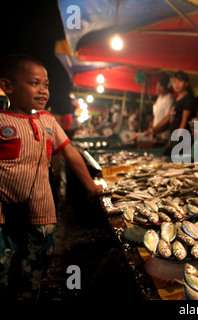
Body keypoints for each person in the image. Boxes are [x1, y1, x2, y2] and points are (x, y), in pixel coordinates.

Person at [0, 54, 103, 300]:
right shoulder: (2, 121)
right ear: (7, 86)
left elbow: (70, 152)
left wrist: (91, 186)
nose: (43, 90)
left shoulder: (47, 120)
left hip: (41, 212)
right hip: (3, 216)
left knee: (36, 265)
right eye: (34, 83)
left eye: (46, 85)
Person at [147, 71, 196, 155]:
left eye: (180, 81)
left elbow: (184, 121)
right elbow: (169, 117)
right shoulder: (176, 98)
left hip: (182, 137)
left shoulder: (188, 98)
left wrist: (178, 138)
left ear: (186, 83)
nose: (176, 84)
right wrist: (153, 130)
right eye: (174, 81)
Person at [142, 73, 173, 145]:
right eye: (157, 85)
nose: (157, 87)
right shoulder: (159, 99)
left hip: (163, 136)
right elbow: (156, 117)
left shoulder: (169, 100)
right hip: (155, 134)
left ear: (166, 88)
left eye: (160, 86)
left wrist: (153, 131)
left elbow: (167, 119)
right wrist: (150, 129)